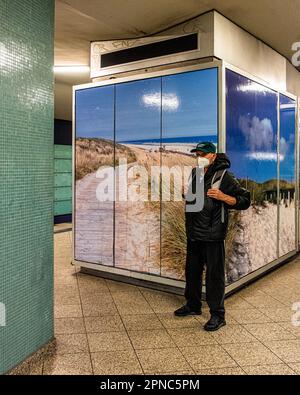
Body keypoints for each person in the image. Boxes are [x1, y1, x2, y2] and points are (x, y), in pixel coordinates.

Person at [174, 141, 251, 331]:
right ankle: (193, 305)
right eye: (197, 155)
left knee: (214, 276)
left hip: (213, 234)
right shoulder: (196, 173)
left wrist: (223, 197)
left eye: (203, 154)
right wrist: (187, 195)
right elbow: (197, 199)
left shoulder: (225, 176)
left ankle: (218, 315)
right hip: (194, 232)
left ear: (213, 156)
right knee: (192, 272)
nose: (199, 158)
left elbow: (245, 200)